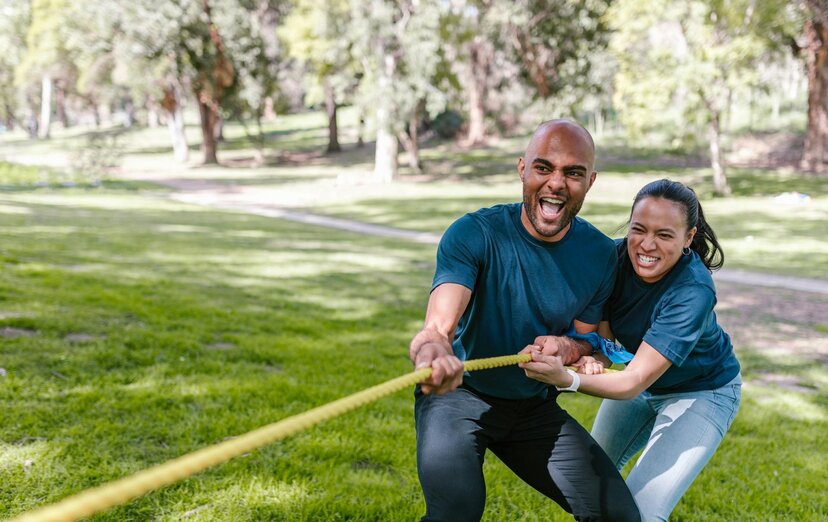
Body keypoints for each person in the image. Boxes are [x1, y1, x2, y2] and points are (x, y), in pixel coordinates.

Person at [409, 119, 640, 522]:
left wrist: (566, 348)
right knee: (456, 513)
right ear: (522, 169)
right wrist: (433, 352)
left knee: (618, 516)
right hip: (458, 397)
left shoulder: (601, 254)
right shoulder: (474, 233)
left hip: (532, 409)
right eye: (543, 167)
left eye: (573, 173)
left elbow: (587, 341)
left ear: (591, 182)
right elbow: (437, 327)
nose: (556, 183)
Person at [520, 179, 742, 522]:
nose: (647, 245)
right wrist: (595, 358)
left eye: (665, 235)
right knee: (588, 487)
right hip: (644, 379)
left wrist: (566, 379)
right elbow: (608, 343)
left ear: (688, 237)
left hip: (702, 392)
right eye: (639, 229)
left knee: (643, 511)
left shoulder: (693, 290)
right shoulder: (614, 259)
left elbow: (633, 381)